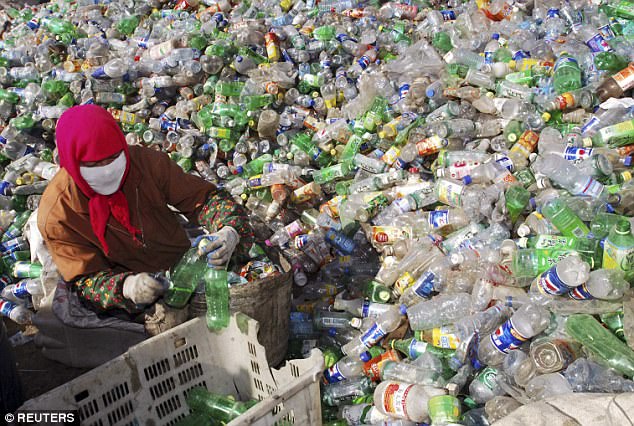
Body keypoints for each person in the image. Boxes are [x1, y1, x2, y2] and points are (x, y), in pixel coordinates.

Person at [37, 104, 254, 333]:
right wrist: (127, 287)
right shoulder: (58, 213)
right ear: (71, 163)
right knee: (169, 328)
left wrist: (228, 230)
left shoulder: (146, 164)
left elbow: (205, 199)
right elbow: (86, 279)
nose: (107, 170)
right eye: (93, 165)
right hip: (128, 290)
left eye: (112, 158)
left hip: (179, 263)